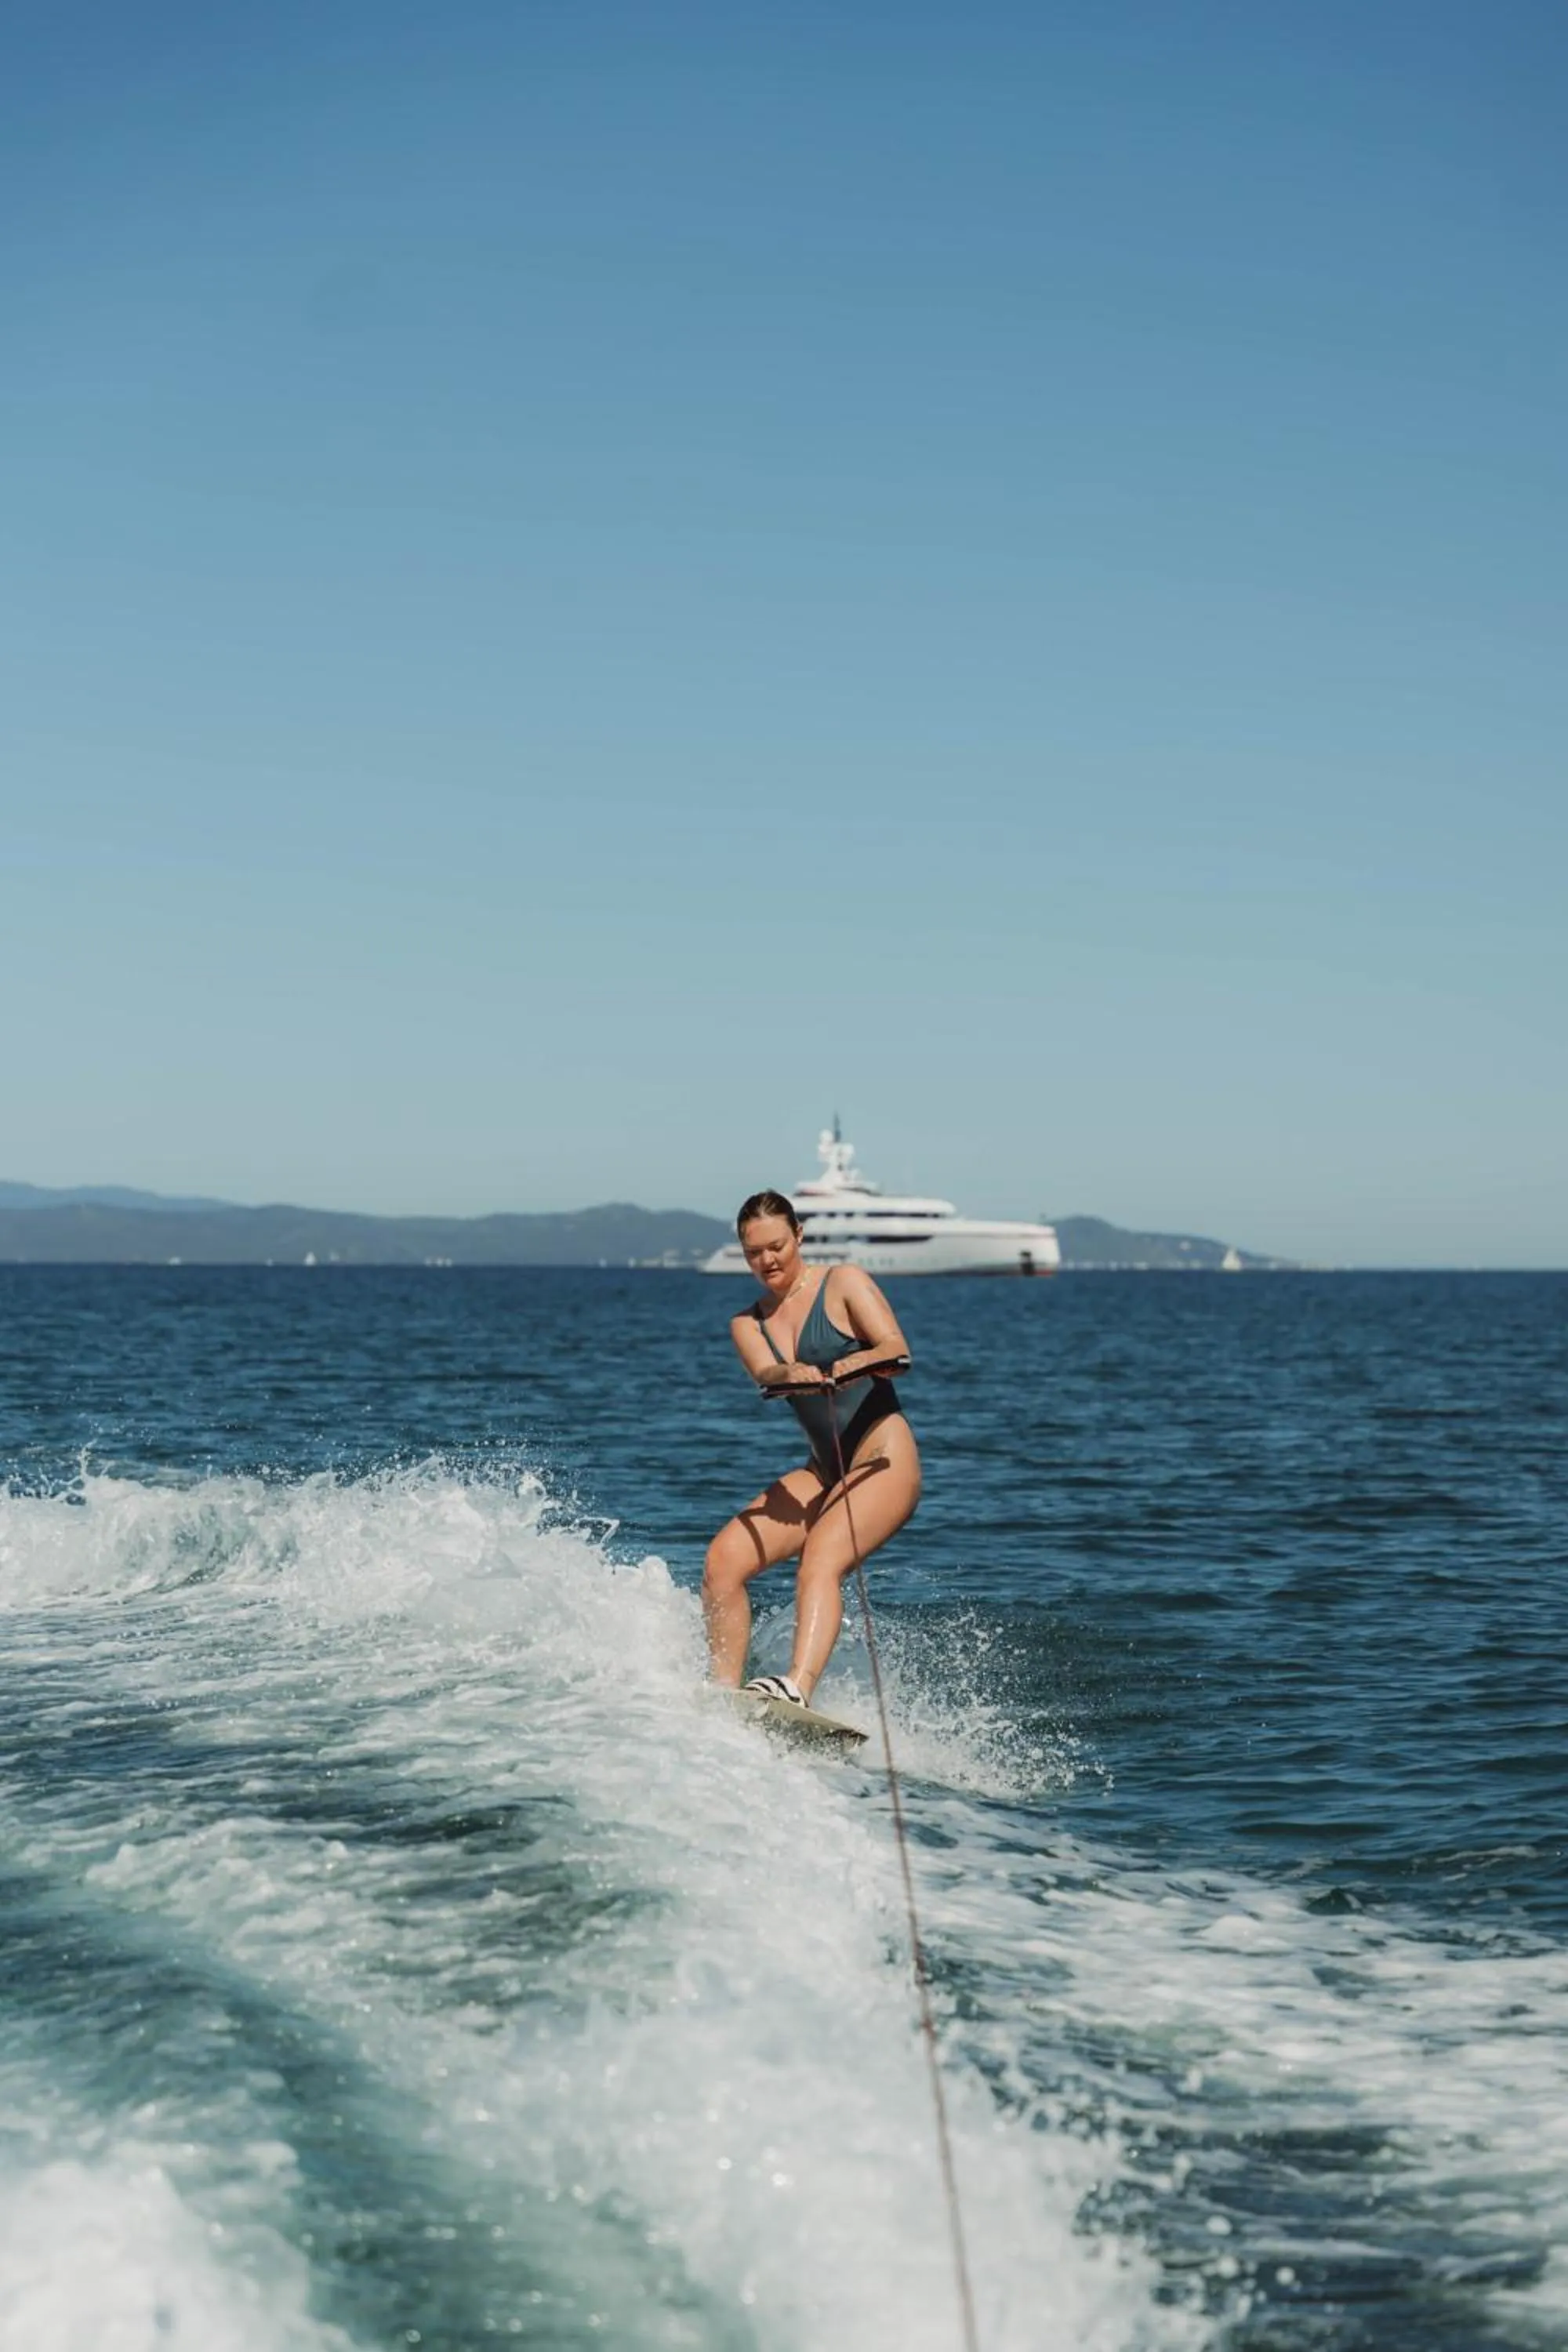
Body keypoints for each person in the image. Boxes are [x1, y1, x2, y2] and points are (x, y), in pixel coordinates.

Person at [703, 1189, 920, 1708]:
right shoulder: (747, 1323)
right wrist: (789, 1373)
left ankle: (796, 1688)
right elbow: (767, 1372)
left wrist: (848, 1366)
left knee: (820, 1559)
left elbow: (895, 1348)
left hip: (883, 1458)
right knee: (722, 1562)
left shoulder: (843, 1282)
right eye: (754, 1252)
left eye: (776, 1246)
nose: (767, 1260)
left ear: (798, 1235)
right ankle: (720, 1694)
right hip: (824, 1470)